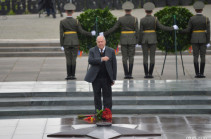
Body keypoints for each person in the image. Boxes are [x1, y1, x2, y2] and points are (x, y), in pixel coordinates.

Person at [139, 2, 178, 78]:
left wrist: (139, 41)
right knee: (152, 57)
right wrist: (172, 28)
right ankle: (150, 74)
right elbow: (162, 27)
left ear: (145, 10)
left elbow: (140, 31)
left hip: (144, 39)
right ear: (152, 11)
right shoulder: (155, 19)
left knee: (145, 57)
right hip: (153, 39)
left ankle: (146, 74)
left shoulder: (142, 20)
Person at [100, 1, 138, 79]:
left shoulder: (121, 19)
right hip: (132, 39)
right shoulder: (135, 19)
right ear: (131, 10)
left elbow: (114, 28)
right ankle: (130, 74)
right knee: (131, 57)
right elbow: (137, 31)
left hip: (123, 39)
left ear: (124, 10)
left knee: (124, 57)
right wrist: (138, 40)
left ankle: (126, 74)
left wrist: (104, 33)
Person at [60, 3, 96, 80]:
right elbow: (82, 31)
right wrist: (91, 34)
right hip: (75, 42)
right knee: (73, 59)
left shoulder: (62, 22)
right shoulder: (76, 21)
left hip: (66, 42)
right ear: (73, 12)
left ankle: (68, 75)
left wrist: (61, 44)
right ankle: (73, 75)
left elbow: (61, 34)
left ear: (66, 12)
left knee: (68, 59)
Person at [84, 36, 117, 113]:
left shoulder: (111, 51)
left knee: (108, 97)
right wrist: (101, 59)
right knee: (97, 97)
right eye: (98, 42)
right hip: (96, 78)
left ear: (105, 42)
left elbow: (114, 65)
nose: (100, 43)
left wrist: (113, 78)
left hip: (107, 78)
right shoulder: (92, 50)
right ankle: (98, 113)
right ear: (96, 42)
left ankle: (107, 113)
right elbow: (90, 60)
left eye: (101, 41)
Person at [180, 1, 210, 78]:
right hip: (203, 39)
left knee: (195, 56)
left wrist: (179, 30)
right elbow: (208, 31)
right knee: (203, 56)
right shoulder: (206, 19)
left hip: (194, 39)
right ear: (202, 9)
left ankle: (197, 73)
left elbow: (188, 30)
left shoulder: (192, 19)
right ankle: (202, 73)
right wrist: (208, 41)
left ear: (195, 10)